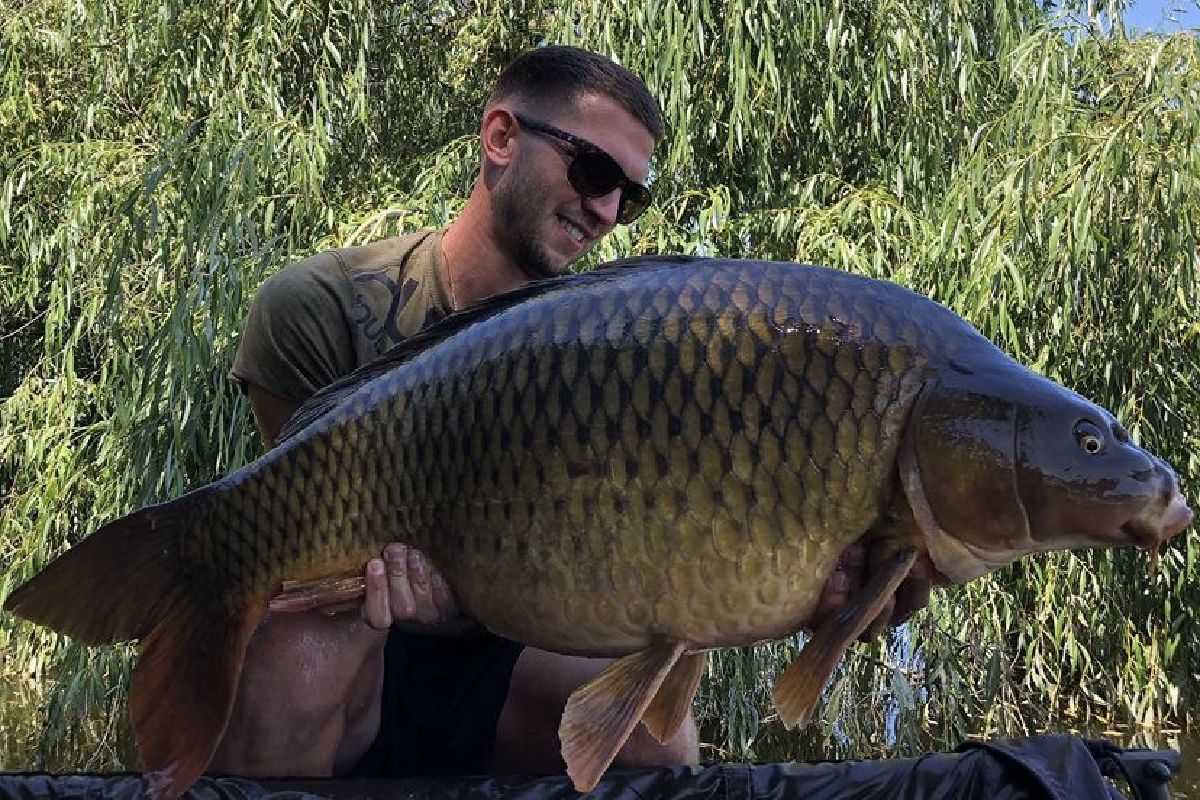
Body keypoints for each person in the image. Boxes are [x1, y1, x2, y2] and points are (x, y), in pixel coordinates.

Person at [213, 45, 937, 782]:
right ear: (500, 137)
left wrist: (797, 580)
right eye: (593, 171)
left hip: (515, 651)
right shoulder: (324, 307)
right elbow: (306, 546)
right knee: (296, 659)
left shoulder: (622, 352)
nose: (606, 212)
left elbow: (660, 549)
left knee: (659, 744)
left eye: (629, 195)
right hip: (359, 640)